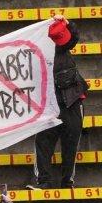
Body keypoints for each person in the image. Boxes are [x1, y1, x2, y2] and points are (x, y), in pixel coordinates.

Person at [31, 15, 88, 190]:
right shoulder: (37, 53)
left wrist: (66, 22)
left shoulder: (64, 46)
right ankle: (44, 182)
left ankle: (67, 182)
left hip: (71, 103)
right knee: (43, 143)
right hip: (51, 105)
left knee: (70, 146)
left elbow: (74, 35)